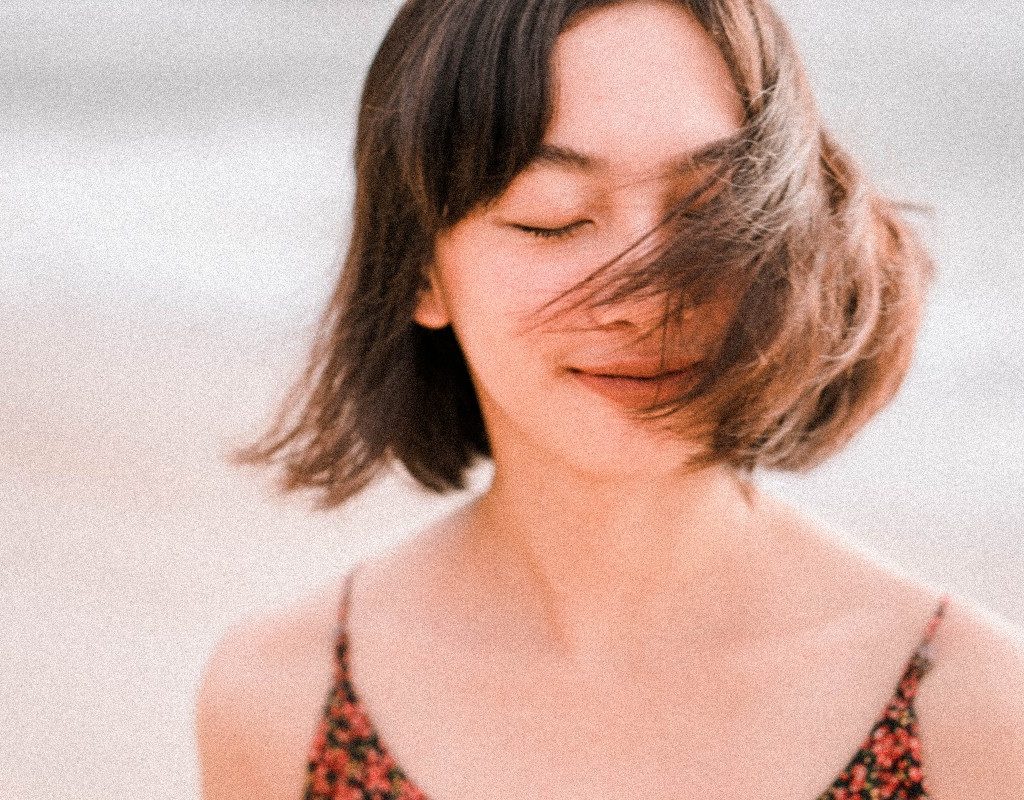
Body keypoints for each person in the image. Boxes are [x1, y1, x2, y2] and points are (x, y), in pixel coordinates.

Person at [195, 0, 1024, 798]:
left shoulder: (974, 715)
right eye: (552, 218)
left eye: (714, 210)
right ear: (418, 270)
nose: (651, 298)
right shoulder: (283, 701)